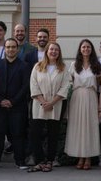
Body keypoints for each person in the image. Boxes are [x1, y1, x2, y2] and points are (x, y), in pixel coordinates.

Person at [0, 38, 30, 169]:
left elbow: (25, 87)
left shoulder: (24, 66)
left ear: (17, 49)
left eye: (13, 47)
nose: (11, 49)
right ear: (5, 49)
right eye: (8, 47)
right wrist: (0, 100)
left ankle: (20, 161)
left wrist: (12, 101)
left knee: (18, 134)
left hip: (17, 106)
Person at [29, 41, 70, 173]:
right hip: (39, 105)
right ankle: (40, 161)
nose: (53, 52)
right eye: (51, 49)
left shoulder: (63, 68)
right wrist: (43, 102)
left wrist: (51, 103)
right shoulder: (38, 66)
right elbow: (33, 85)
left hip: (55, 105)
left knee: (53, 135)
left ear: (59, 53)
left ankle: (50, 161)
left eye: (56, 50)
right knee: (35, 134)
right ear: (47, 51)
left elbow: (65, 87)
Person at [67, 38, 101, 169]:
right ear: (80, 49)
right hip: (77, 97)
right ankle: (80, 157)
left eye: (88, 47)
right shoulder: (74, 65)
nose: (86, 49)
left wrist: (100, 106)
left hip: (91, 96)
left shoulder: (97, 66)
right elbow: (69, 83)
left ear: (91, 49)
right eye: (83, 47)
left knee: (89, 127)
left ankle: (88, 158)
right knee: (77, 127)